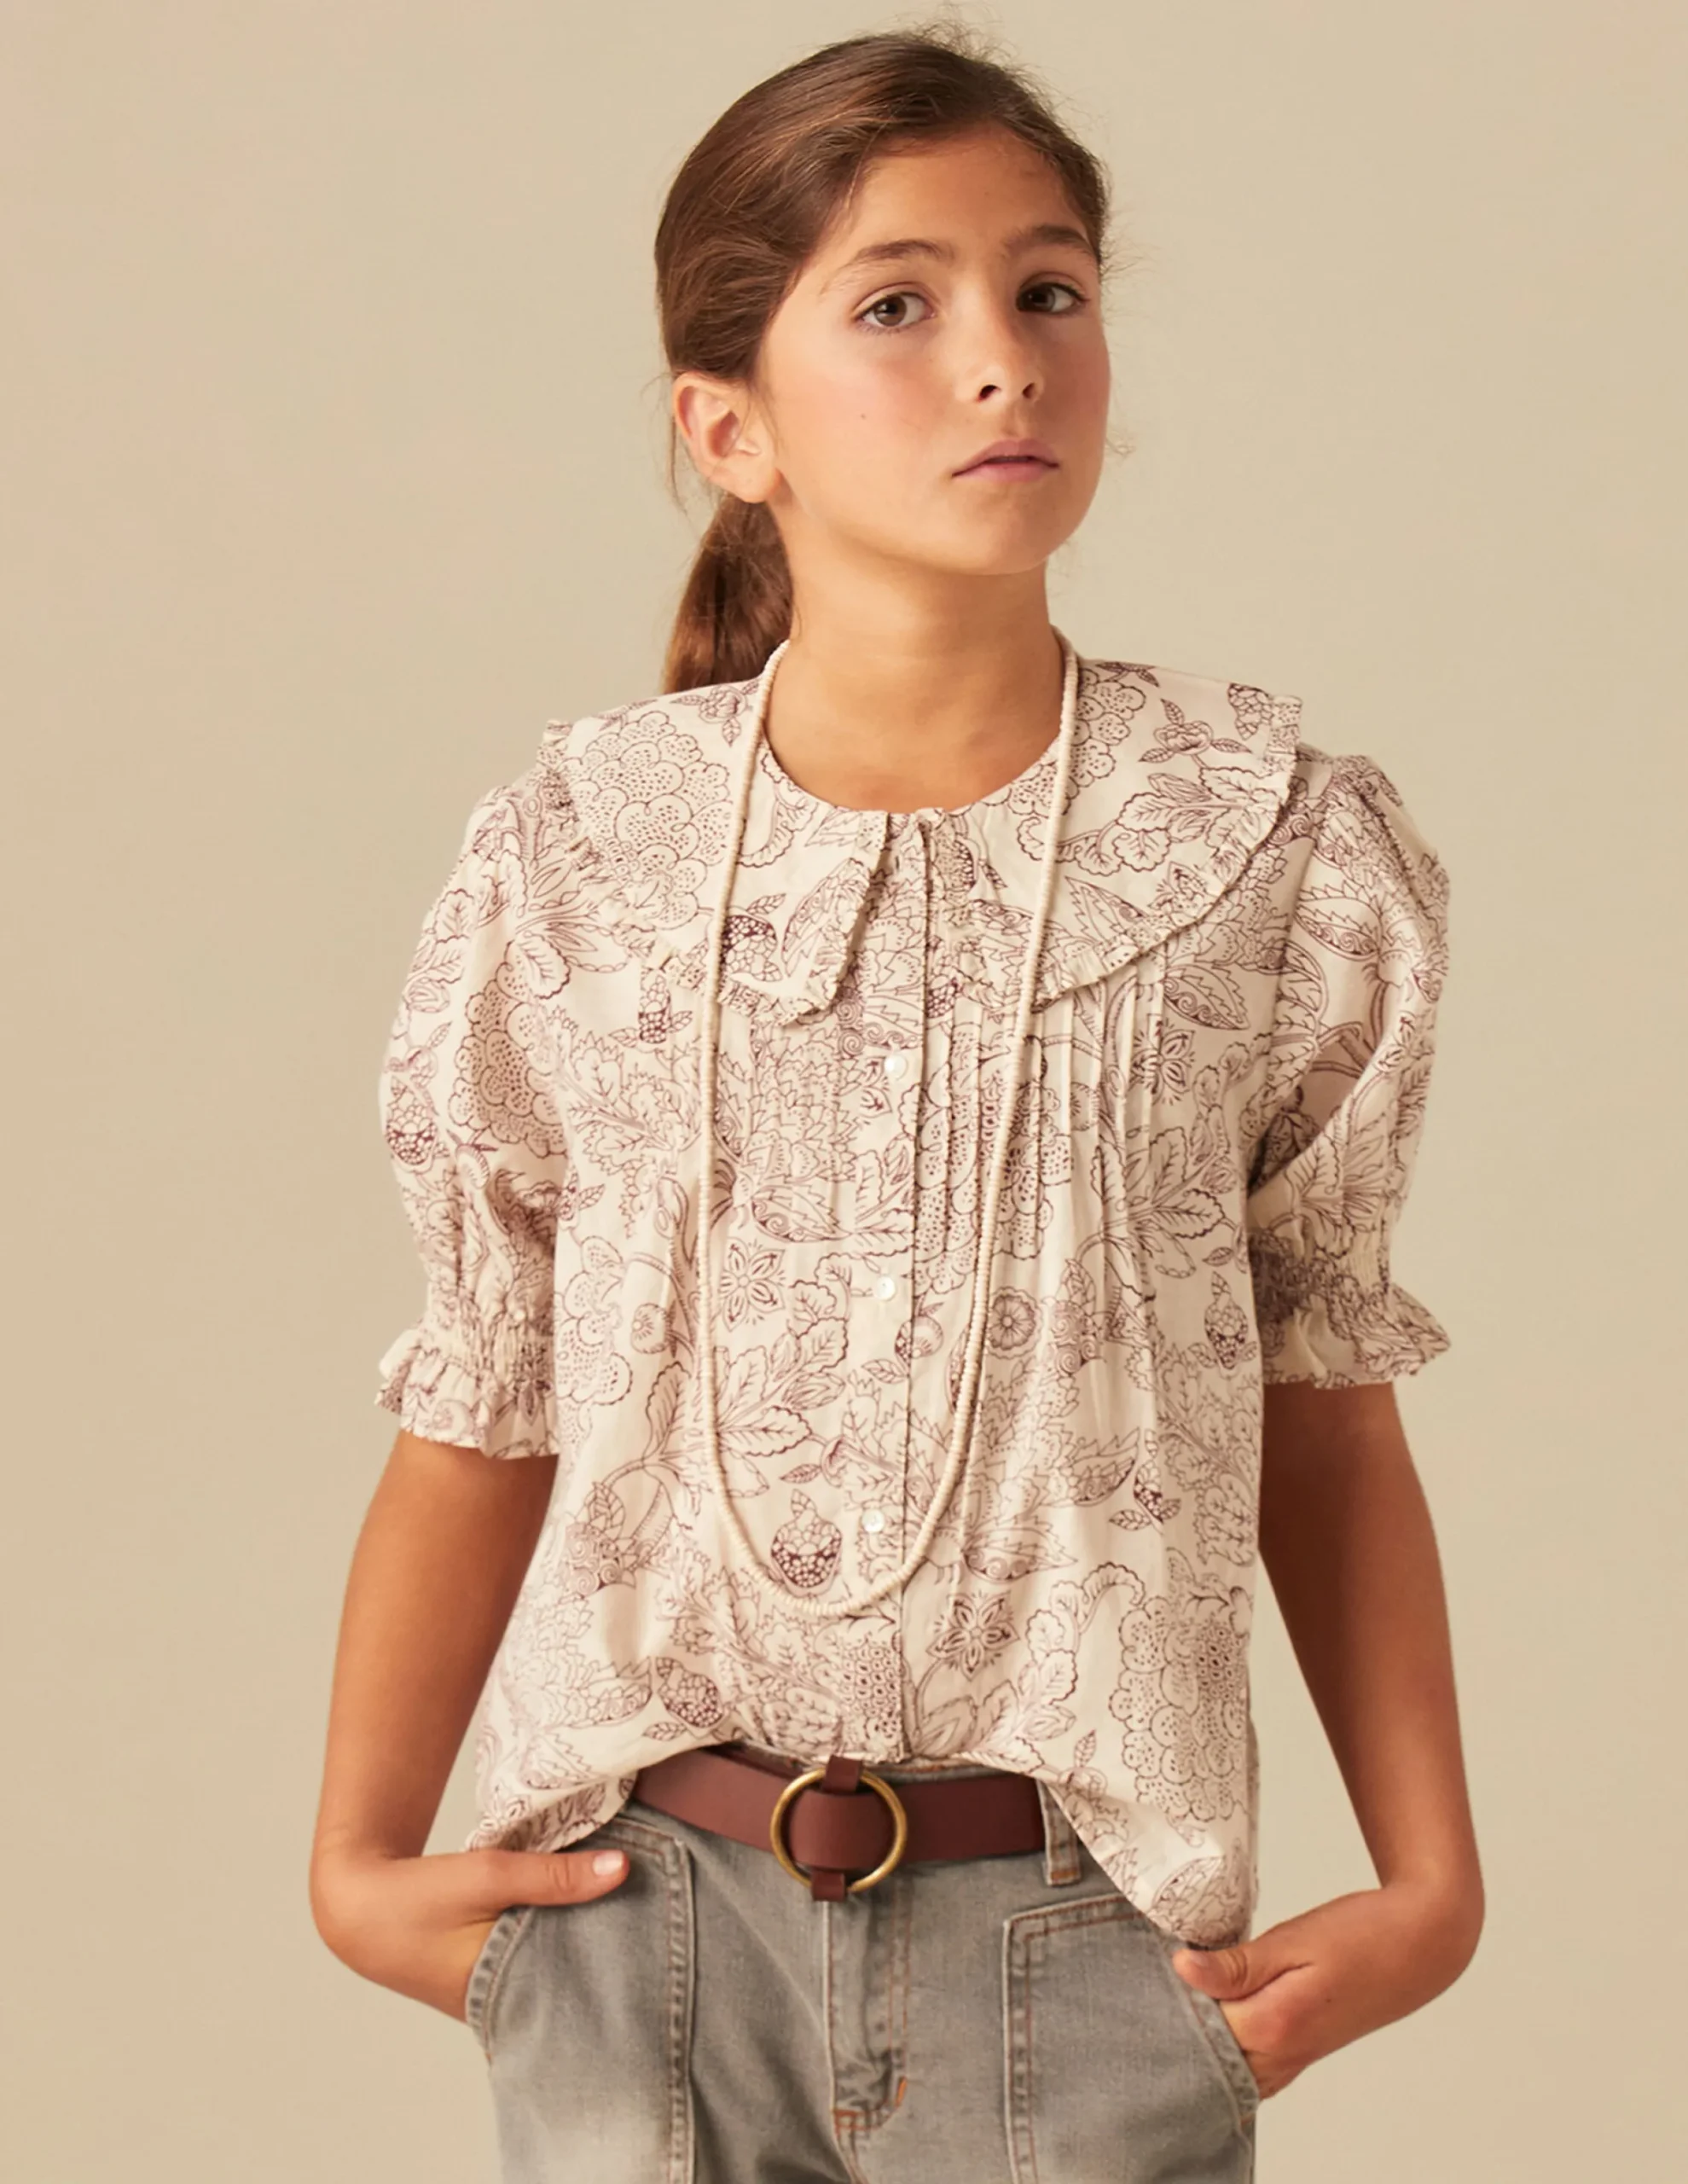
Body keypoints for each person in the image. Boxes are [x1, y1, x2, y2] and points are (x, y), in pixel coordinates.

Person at [309, 21, 1484, 2181]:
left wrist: (1428, 1883)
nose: (1000, 360)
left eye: (1048, 290)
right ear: (725, 423)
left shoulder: (1262, 847)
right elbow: (488, 1379)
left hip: (1085, 1939)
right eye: (895, 305)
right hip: (637, 1928)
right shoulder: (577, 857)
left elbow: (1317, 1383)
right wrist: (356, 1858)